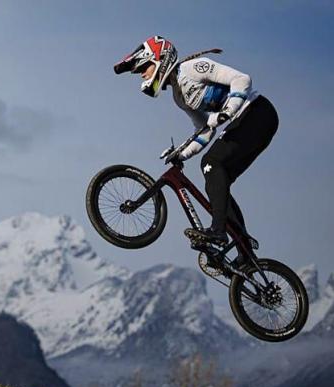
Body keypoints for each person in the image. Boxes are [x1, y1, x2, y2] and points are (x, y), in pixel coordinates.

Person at [113, 36, 278, 262]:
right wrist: (181, 153)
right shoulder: (179, 97)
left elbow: (242, 79)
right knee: (218, 180)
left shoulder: (192, 68)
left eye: (143, 67)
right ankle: (245, 250)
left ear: (160, 59)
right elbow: (204, 130)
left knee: (211, 164)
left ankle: (218, 232)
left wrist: (227, 111)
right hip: (245, 123)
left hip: (258, 113)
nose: (141, 74)